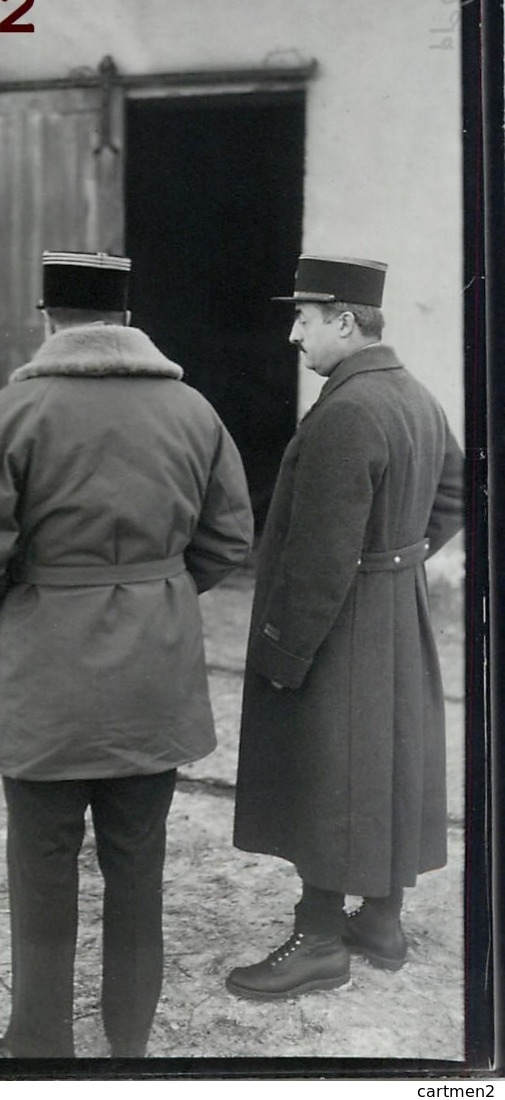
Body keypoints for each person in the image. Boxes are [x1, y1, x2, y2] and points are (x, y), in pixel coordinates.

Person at [0, 251, 254, 1058]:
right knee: (138, 875)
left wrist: (0, 609)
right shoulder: (192, 409)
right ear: (125, 319)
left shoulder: (15, 410)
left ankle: (39, 1052)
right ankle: (129, 1054)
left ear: (49, 318)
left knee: (42, 874)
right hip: (155, 678)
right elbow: (227, 539)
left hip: (46, 682)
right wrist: (157, 595)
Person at [227, 255, 464, 1000]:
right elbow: (457, 489)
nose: (295, 336)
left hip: (341, 623)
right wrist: (402, 557)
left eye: (302, 319)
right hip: (395, 611)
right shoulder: (415, 398)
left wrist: (283, 651)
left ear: (343, 320)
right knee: (385, 760)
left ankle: (319, 939)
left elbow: (320, 554)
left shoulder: (347, 409)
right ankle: (381, 921)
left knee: (326, 771)